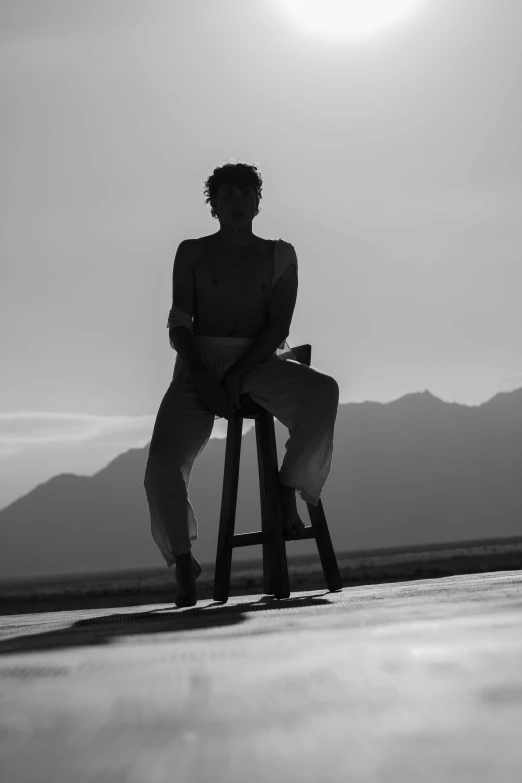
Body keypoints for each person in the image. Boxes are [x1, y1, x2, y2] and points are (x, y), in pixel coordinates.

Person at [144, 160, 339, 607]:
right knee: (161, 464)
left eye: (245, 193)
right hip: (197, 363)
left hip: (256, 358)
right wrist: (203, 377)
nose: (236, 201)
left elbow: (278, 326)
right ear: (212, 204)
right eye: (225, 194)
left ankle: (287, 488)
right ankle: (183, 558)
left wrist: (234, 376)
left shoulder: (279, 254)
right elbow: (179, 324)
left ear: (258, 201)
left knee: (323, 391)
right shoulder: (192, 251)